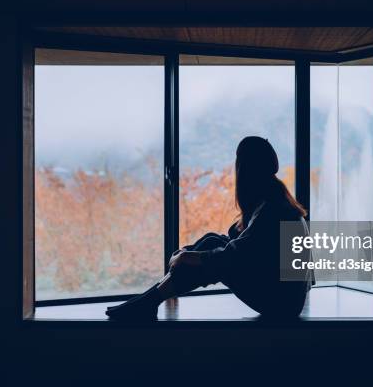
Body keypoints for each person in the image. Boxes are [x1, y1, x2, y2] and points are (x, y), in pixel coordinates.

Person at [106, 136, 311, 321]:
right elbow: (240, 243)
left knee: (214, 251)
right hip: (285, 297)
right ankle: (148, 301)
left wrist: (188, 257)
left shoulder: (272, 208)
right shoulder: (275, 197)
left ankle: (147, 301)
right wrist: (190, 253)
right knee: (213, 240)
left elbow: (234, 257)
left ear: (245, 169)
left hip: (281, 304)